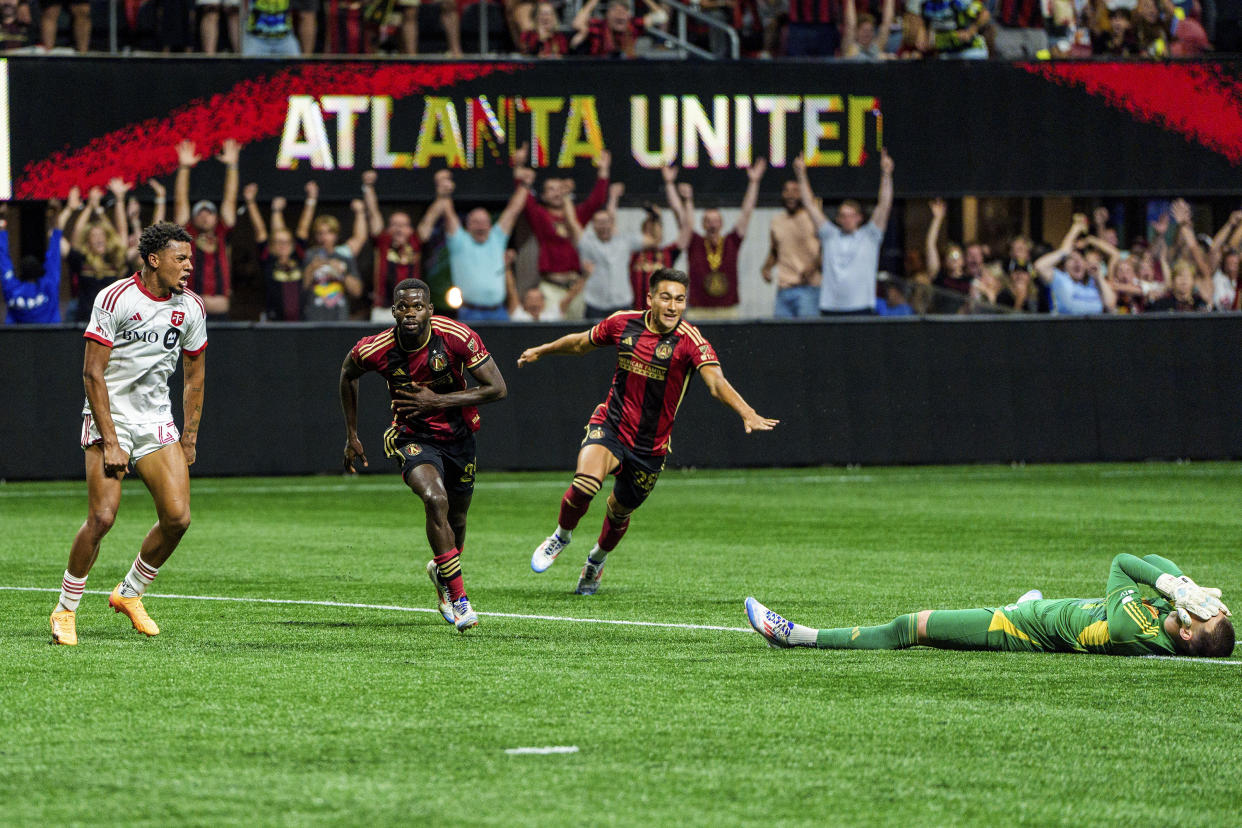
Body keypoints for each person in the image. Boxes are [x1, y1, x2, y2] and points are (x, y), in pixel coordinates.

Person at [517, 267, 778, 596]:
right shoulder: (623, 323)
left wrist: (747, 412)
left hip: (650, 448)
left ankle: (596, 561)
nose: (673, 306)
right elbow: (581, 343)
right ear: (650, 298)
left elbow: (716, 383)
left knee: (619, 510)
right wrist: (543, 349)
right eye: (666, 298)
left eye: (680, 300)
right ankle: (561, 536)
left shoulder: (690, 342)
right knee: (585, 483)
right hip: (611, 424)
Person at [49, 222, 208, 646]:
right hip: (110, 417)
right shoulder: (115, 297)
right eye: (181, 258)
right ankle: (65, 610)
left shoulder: (191, 307)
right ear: (154, 260)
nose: (189, 266)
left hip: (156, 421)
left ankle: (129, 593)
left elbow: (195, 377)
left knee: (178, 518)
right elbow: (91, 372)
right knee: (102, 518)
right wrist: (112, 440)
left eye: (190, 258)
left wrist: (188, 437)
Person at [340, 278, 507, 632]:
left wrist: (439, 401)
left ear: (430, 310)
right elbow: (347, 374)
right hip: (410, 436)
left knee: (458, 519)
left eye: (418, 306)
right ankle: (460, 600)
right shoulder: (376, 348)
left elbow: (497, 389)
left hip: (459, 436)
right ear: (394, 312)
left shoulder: (457, 337)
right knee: (435, 498)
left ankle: (442, 575)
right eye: (403, 307)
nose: (410, 313)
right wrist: (352, 433)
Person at [745, 553, 1233, 658]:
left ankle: (796, 635)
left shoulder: (1134, 630)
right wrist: (1182, 583)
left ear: (1188, 633)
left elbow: (1126, 563)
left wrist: (1172, 585)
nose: (1200, 605)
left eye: (1202, 612)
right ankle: (1024, 600)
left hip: (1017, 628)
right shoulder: (1166, 625)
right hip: (1043, 614)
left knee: (909, 625)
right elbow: (1152, 560)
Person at [515, 146, 611, 321]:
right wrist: (518, 166)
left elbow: (596, 201)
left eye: (560, 188)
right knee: (552, 333)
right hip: (550, 287)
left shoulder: (576, 216)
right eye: (551, 189)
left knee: (577, 335)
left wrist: (603, 171)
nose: (557, 192)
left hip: (576, 285)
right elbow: (524, 200)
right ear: (543, 196)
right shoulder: (541, 216)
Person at [794, 148, 894, 316]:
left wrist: (886, 174)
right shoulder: (830, 235)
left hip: (861, 308)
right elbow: (810, 205)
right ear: (838, 219)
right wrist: (801, 175)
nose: (847, 219)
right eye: (843, 216)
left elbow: (884, 206)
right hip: (831, 308)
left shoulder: (870, 236)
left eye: (851, 216)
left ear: (859, 218)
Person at [421, 167, 527, 323]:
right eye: (475, 222)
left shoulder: (497, 238)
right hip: (470, 314)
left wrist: (525, 185)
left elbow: (513, 211)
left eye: (484, 222)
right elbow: (448, 213)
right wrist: (443, 190)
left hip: (499, 312)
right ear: (467, 226)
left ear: (491, 225)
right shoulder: (459, 241)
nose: (480, 226)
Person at [666, 160, 766, 321]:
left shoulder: (732, 241)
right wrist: (669, 184)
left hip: (728, 310)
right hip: (699, 312)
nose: (712, 224)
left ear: (722, 223)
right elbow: (680, 216)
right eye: (708, 220)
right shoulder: (694, 242)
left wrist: (754, 182)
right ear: (703, 224)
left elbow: (746, 212)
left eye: (715, 220)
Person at [174, 138, 239, 320]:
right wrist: (184, 168)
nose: (204, 216)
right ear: (193, 218)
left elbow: (230, 200)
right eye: (200, 213)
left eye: (209, 212)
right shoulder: (187, 235)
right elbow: (180, 201)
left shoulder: (222, 232)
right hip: (190, 311)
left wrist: (232, 166)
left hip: (219, 310)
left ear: (216, 217)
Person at [362, 170, 427, 322]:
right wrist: (368, 187)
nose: (398, 229)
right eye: (394, 225)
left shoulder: (415, 242)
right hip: (384, 311)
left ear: (410, 229)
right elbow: (373, 212)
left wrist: (442, 195)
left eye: (403, 225)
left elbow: (430, 220)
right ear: (388, 228)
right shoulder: (383, 241)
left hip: (412, 312)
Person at [67, 181, 131, 324]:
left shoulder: (114, 259)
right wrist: (90, 206)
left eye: (102, 235)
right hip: (86, 322)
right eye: (94, 236)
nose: (99, 238)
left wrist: (119, 200)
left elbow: (121, 234)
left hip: (113, 323)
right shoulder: (82, 261)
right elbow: (76, 237)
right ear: (88, 242)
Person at [242, 183, 307, 321]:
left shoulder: (298, 257)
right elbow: (260, 231)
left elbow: (303, 229)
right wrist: (250, 201)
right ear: (272, 246)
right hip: (274, 323)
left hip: (300, 323)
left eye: (286, 242)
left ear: (292, 245)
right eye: (278, 242)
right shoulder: (268, 260)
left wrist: (311, 200)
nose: (283, 246)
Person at [761, 177, 821, 318]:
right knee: (782, 337)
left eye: (795, 191)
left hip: (809, 288)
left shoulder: (813, 218)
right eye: (786, 191)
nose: (790, 195)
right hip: (784, 289)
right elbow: (775, 251)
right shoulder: (777, 221)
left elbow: (826, 250)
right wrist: (766, 267)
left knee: (807, 336)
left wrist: (813, 266)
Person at [1033, 214, 1116, 314]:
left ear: (1086, 264)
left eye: (1080, 259)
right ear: (1064, 265)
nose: (1077, 262)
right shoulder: (1060, 279)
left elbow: (1110, 305)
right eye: (1071, 259)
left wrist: (1099, 277)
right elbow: (1039, 266)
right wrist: (1064, 251)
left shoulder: (1094, 283)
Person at [1, 202, 66, 324]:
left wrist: (2, 219)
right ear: (40, 271)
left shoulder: (11, 288)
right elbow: (54, 254)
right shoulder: (49, 285)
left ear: (20, 272)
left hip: (16, 342)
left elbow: (2, 257)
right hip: (51, 341)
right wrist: (56, 215)